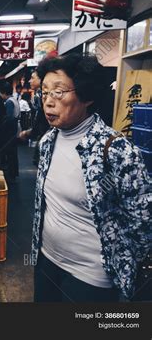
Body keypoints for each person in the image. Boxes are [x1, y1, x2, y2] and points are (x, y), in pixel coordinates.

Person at [31, 53, 151, 302]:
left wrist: (122, 264)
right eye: (45, 92)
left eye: (59, 92)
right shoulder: (47, 142)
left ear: (86, 96)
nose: (49, 102)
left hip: (91, 277)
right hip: (46, 262)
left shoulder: (117, 151)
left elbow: (142, 223)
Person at [19, 70, 50, 165]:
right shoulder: (38, 96)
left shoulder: (42, 96)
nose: (29, 81)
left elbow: (42, 120)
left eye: (32, 78)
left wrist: (31, 132)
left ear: (41, 79)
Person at [0, 81, 20, 181]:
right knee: (12, 152)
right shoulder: (14, 99)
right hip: (14, 127)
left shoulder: (9, 102)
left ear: (4, 93)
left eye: (0, 93)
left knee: (10, 151)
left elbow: (9, 117)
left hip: (11, 128)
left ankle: (11, 174)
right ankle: (13, 173)